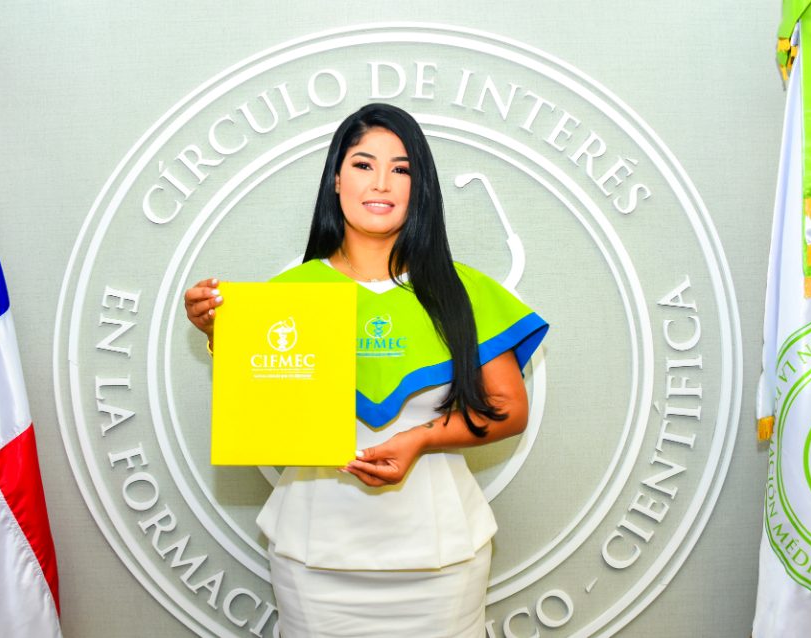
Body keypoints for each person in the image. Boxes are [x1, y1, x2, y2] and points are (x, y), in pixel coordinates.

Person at [184, 103, 548, 637]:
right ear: (336, 179)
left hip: (441, 559)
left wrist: (420, 439)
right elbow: (269, 407)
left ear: (420, 188)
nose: (381, 183)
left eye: (401, 169)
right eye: (363, 164)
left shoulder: (462, 290)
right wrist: (221, 331)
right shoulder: (286, 295)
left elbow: (508, 409)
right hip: (315, 555)